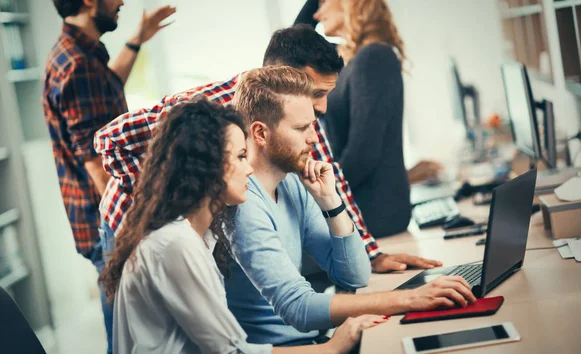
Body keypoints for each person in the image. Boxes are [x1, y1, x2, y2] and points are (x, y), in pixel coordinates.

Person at [94, 24, 442, 273]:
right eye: (317, 94)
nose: (321, 108)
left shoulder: (299, 116)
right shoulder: (212, 102)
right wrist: (161, 203)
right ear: (284, 79)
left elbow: (331, 176)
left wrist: (372, 253)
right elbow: (108, 140)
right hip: (129, 222)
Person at [100, 99, 388, 354]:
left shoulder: (200, 238)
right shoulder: (176, 244)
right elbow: (231, 352)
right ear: (206, 166)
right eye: (239, 157)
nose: (249, 168)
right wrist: (330, 349)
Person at [226, 66, 476, 346]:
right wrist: (409, 299)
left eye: (313, 125)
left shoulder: (292, 183)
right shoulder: (243, 203)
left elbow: (355, 274)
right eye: (301, 128)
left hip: (315, 342)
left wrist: (331, 202)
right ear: (260, 133)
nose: (313, 138)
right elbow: (299, 308)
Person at [42, 0, 174, 352]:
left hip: (102, 223)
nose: (121, 2)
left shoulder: (76, 54)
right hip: (111, 225)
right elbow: (98, 163)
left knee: (129, 331)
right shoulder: (77, 65)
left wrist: (137, 40)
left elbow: (109, 86)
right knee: (127, 337)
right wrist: (135, 230)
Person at [296, 0, 442, 237]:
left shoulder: (374, 57)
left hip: (374, 214)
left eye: (323, 2)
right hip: (365, 206)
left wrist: (324, 195)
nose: (318, 12)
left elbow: (363, 152)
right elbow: (292, 47)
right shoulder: (349, 59)